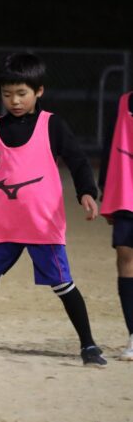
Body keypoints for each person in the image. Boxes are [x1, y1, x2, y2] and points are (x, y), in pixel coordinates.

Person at [0, 52, 107, 366]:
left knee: (64, 284)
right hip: (2, 225)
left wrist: (87, 191)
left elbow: (78, 160)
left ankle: (89, 346)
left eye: (21, 93)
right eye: (7, 94)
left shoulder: (52, 125)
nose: (14, 101)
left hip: (41, 225)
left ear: (39, 91)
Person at [99, 91, 133, 361]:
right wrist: (105, 188)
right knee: (125, 257)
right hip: (126, 192)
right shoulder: (124, 103)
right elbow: (109, 146)